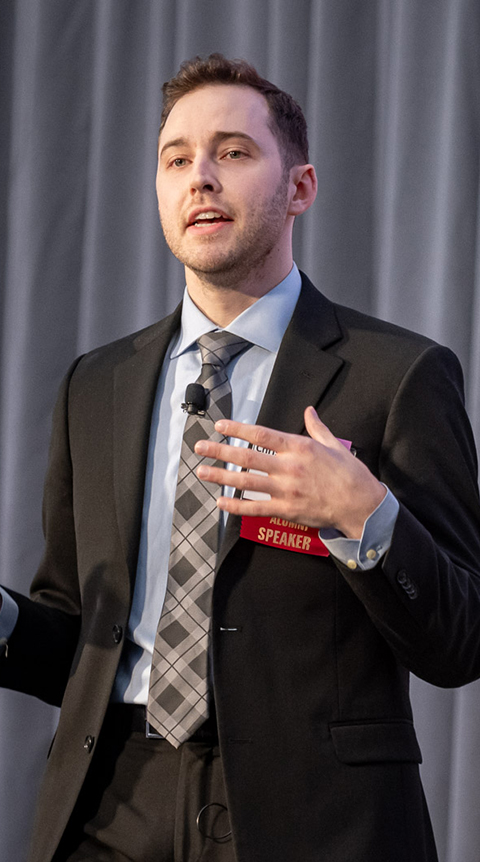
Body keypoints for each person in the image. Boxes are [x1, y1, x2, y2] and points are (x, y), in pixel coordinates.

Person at [1, 53, 480, 862]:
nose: (201, 179)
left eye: (233, 152)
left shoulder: (396, 375)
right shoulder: (98, 384)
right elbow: (79, 641)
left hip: (317, 815)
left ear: (299, 187)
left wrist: (363, 516)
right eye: (177, 158)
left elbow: (460, 640)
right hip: (112, 802)